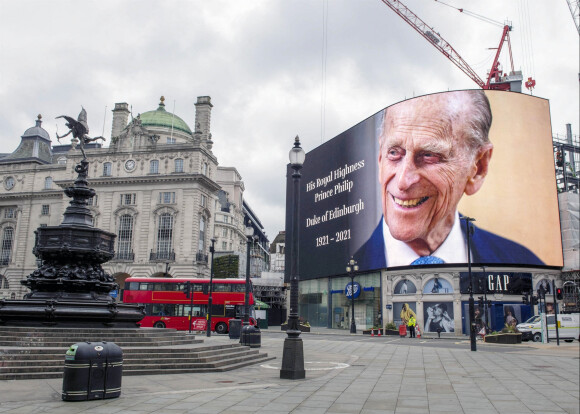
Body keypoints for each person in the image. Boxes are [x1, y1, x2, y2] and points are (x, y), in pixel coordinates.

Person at [355, 90, 544, 268]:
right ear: (380, 159)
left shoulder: (522, 263)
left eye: (429, 156)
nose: (403, 182)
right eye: (394, 153)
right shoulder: (348, 267)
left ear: (478, 167)